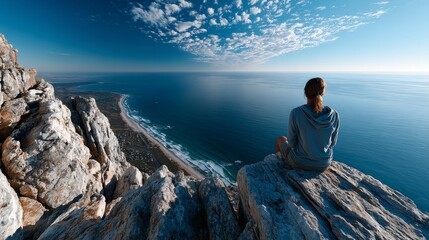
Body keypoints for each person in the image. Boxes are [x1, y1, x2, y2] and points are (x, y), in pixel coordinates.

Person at [276, 77, 340, 171]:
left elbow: (292, 144)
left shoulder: (296, 113)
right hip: (324, 164)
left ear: (305, 93)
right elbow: (332, 143)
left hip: (300, 162)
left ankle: (281, 165)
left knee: (281, 139)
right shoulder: (334, 115)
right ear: (322, 93)